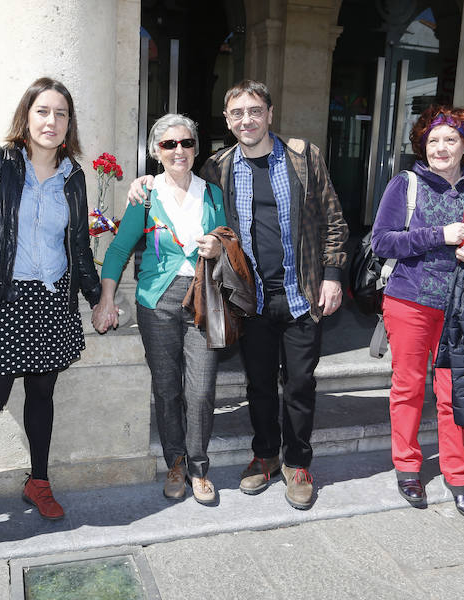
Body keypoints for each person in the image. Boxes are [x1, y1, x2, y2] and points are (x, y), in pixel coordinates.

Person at [128, 81, 349, 510]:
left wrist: (334, 274)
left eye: (254, 110)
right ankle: (266, 456)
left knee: (300, 383)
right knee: (260, 384)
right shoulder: (218, 166)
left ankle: (298, 464)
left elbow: (334, 218)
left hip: (301, 290)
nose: (246, 120)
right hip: (249, 298)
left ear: (269, 113)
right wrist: (145, 182)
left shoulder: (304, 158)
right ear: (227, 122)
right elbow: (180, 178)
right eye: (236, 114)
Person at [0, 78, 101, 527]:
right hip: (6, 298)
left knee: (42, 394)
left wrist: (95, 297)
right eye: (43, 111)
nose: (51, 121)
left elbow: (77, 243)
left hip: (52, 300)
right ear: (26, 116)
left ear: (69, 123)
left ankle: (38, 480)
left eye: (61, 113)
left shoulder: (74, 176)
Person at [371, 105, 464, 522]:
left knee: (455, 394)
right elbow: (382, 242)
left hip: (462, 306)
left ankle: (459, 477)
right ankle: (408, 467)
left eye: (450, 139)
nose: (441, 147)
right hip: (409, 301)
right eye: (433, 140)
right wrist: (439, 236)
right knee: (408, 387)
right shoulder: (405, 184)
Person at [93, 114, 227, 505]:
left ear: (196, 148)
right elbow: (119, 249)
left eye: (186, 143)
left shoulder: (214, 194)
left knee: (200, 391)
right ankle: (176, 463)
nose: (178, 151)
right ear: (155, 152)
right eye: (169, 145)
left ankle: (200, 467)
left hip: (204, 299)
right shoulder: (145, 196)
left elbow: (230, 242)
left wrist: (219, 248)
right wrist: (106, 299)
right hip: (157, 301)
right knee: (168, 390)